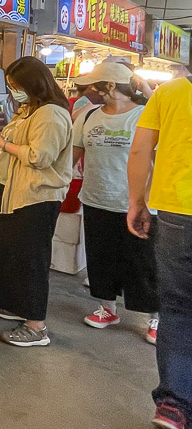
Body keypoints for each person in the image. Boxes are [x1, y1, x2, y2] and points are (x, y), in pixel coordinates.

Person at [0, 56, 73, 348]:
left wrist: (1, 142)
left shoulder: (51, 114)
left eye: (17, 86)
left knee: (31, 260)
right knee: (11, 254)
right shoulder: (30, 109)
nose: (13, 91)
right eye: (10, 86)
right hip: (16, 193)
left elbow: (40, 156)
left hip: (36, 197)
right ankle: (13, 306)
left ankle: (36, 326)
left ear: (34, 84)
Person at [71, 61, 157, 342]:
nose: (90, 90)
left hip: (139, 203)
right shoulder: (87, 116)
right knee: (100, 256)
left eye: (96, 85)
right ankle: (107, 308)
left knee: (143, 262)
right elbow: (72, 156)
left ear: (110, 86)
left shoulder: (146, 116)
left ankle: (154, 317)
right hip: (97, 198)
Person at [128, 71, 192, 429]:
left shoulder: (168, 93)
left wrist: (136, 201)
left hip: (178, 215)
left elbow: (140, 150)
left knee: (179, 309)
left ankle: (175, 404)